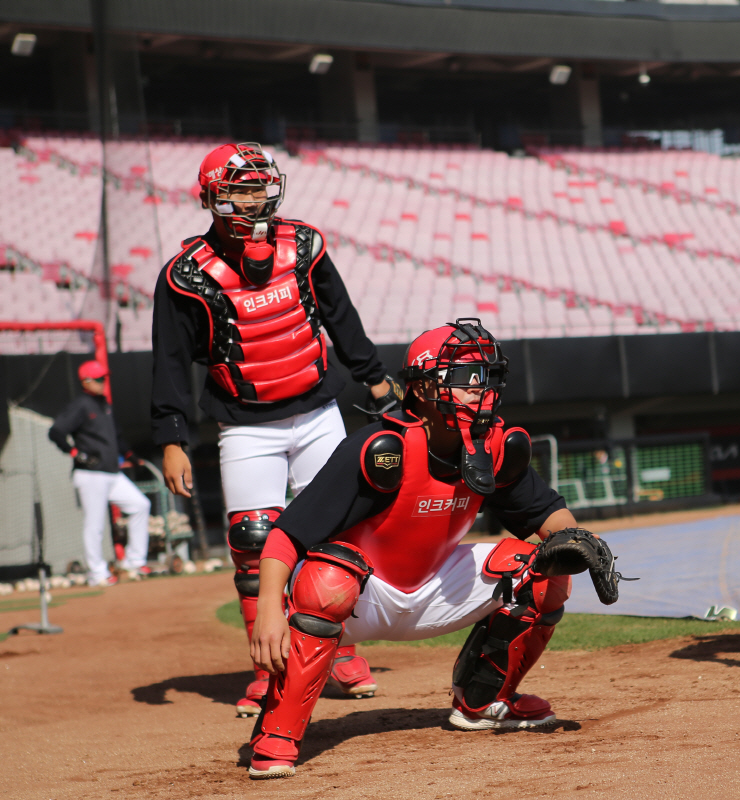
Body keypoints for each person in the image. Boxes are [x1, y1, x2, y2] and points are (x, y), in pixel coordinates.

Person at [244, 319, 623, 779]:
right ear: (423, 388)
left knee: (543, 568)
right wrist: (267, 609)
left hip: (434, 589)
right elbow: (288, 533)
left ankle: (483, 702)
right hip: (361, 598)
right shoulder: (381, 447)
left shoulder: (497, 447)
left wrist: (577, 542)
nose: (482, 392)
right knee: (328, 578)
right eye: (468, 379)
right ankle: (277, 734)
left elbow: (550, 517)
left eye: (488, 379)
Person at [151, 142, 399, 718]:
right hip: (245, 425)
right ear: (212, 196)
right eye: (240, 187)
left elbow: (341, 315)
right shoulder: (184, 276)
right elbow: (168, 359)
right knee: (254, 542)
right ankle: (268, 667)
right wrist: (170, 435)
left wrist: (377, 381)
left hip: (318, 411)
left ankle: (341, 653)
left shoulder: (305, 245)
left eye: (261, 184)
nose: (255, 196)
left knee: (337, 533)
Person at [49, 360, 150, 587]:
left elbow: (117, 437)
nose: (103, 382)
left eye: (104, 378)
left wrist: (131, 456)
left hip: (111, 472)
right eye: (99, 379)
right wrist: (74, 452)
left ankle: (134, 562)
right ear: (86, 381)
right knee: (95, 524)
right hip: (90, 474)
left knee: (140, 505)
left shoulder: (105, 404)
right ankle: (97, 573)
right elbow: (56, 431)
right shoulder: (81, 405)